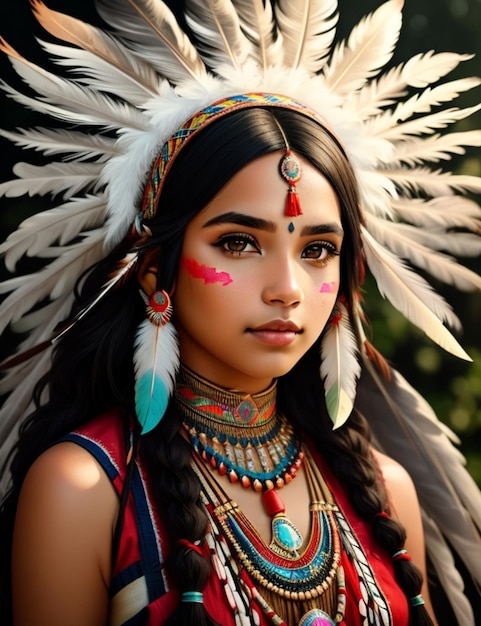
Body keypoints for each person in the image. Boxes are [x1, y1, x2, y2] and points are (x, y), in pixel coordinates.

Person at [0, 1, 480, 625]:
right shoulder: (81, 491)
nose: (287, 287)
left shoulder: (386, 493)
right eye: (238, 242)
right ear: (154, 268)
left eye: (317, 250)